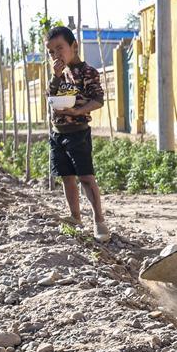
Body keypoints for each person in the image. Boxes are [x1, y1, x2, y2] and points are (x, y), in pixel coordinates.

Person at [46, 26, 111, 243]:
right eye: (51, 52)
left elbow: (98, 99)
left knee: (86, 177)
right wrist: (55, 76)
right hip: (58, 133)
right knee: (67, 177)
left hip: (78, 133)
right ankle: (75, 216)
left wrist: (78, 111)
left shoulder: (87, 72)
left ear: (74, 46)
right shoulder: (58, 75)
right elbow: (50, 96)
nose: (56, 55)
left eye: (60, 48)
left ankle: (99, 220)